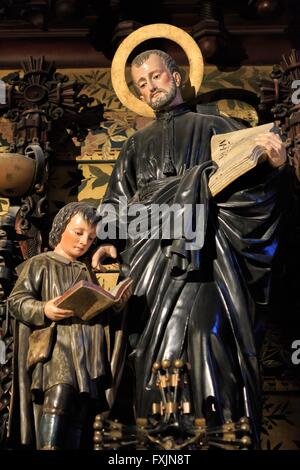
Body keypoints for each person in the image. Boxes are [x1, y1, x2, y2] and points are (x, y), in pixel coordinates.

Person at [92, 50, 288, 447]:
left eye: (155, 77)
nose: (149, 88)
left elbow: (253, 191)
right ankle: (153, 442)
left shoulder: (218, 126)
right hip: (150, 263)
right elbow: (115, 206)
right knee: (145, 349)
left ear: (177, 77)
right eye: (141, 84)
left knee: (205, 334)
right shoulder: (134, 145)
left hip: (207, 259)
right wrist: (109, 241)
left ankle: (218, 435)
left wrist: (276, 166)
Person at [8, 202, 130, 450]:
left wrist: (114, 304)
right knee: (58, 399)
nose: (85, 241)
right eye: (78, 232)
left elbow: (94, 310)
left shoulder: (85, 270)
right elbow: (16, 301)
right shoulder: (40, 263)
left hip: (86, 351)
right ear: (60, 228)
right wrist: (44, 309)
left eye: (91, 237)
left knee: (78, 411)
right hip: (58, 348)